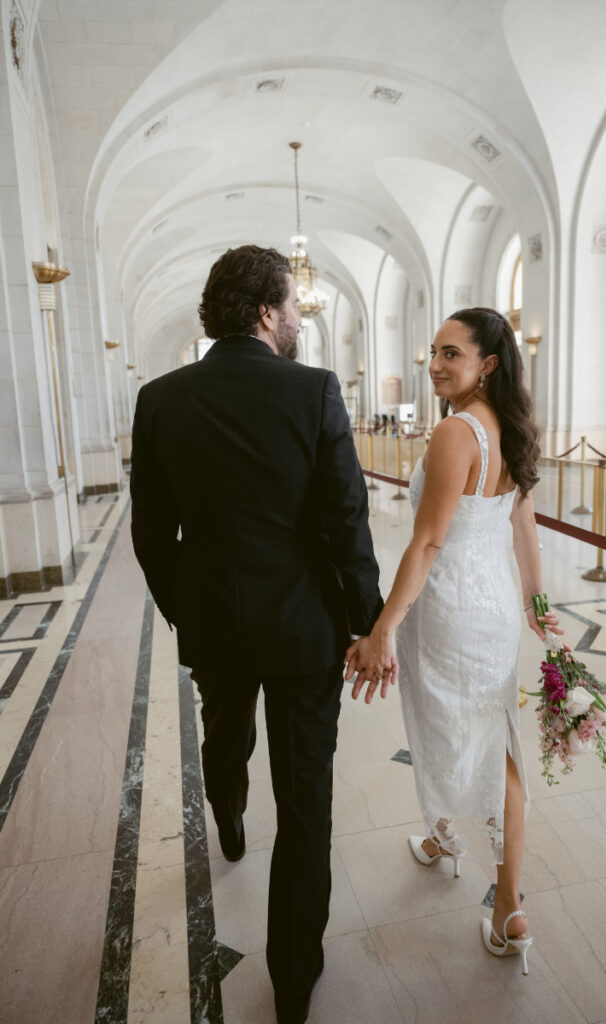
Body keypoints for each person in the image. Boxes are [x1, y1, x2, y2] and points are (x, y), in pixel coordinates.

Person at [130, 245, 386, 1024]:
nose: (300, 319)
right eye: (295, 308)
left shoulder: (161, 397)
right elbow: (346, 522)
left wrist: (188, 609)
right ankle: (291, 976)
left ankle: (229, 805)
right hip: (304, 626)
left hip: (213, 617)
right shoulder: (311, 391)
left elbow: (149, 531)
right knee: (307, 797)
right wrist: (366, 622)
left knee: (225, 723)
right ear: (268, 312)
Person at [345, 307, 562, 976]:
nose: (434, 364)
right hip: (491, 604)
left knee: (462, 737)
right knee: (481, 733)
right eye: (431, 351)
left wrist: (383, 626)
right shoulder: (512, 427)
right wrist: (533, 601)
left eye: (450, 353)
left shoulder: (454, 431)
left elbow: (429, 542)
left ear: (486, 363)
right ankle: (448, 843)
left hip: (447, 610)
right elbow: (521, 523)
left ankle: (506, 905)